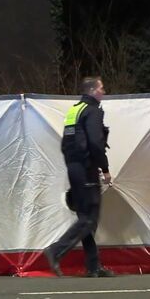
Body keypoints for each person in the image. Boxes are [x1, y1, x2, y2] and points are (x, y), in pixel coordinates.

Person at [43, 76, 115, 278]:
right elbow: (95, 142)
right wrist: (105, 168)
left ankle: (93, 267)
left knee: (85, 217)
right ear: (92, 90)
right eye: (101, 88)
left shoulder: (74, 110)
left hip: (74, 168)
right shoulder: (93, 111)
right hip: (86, 168)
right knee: (90, 219)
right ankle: (56, 250)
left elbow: (67, 143)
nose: (104, 91)